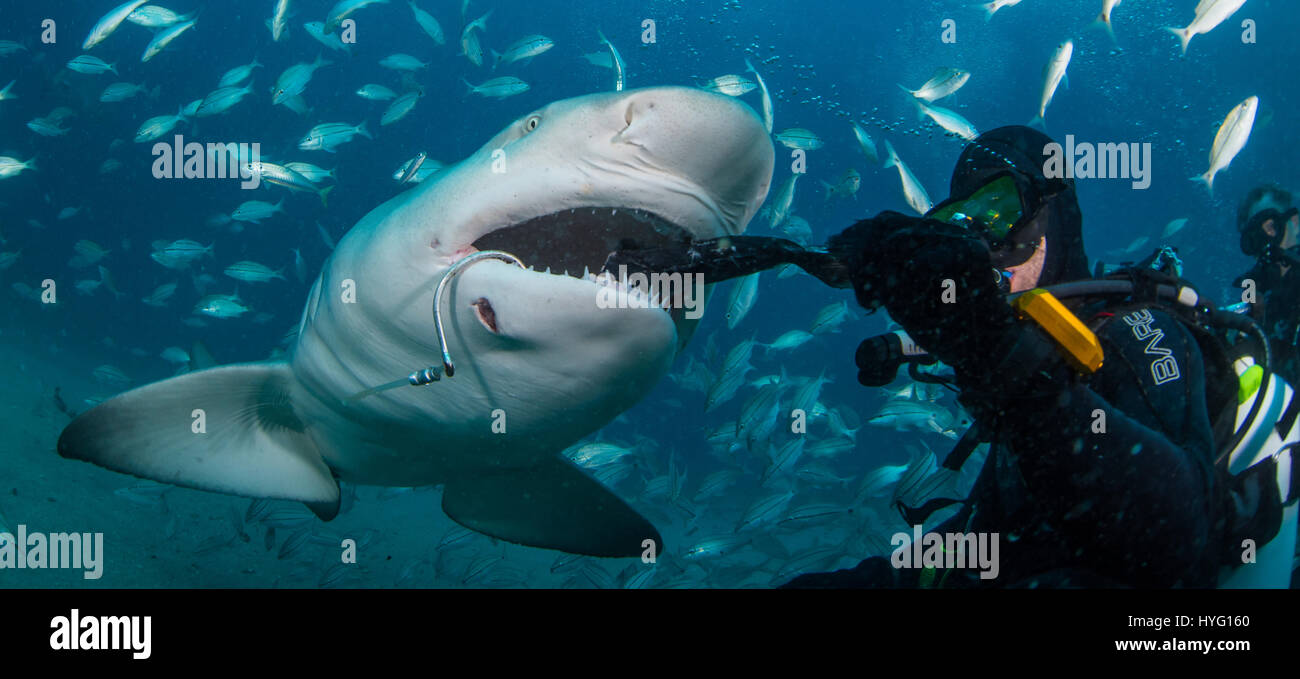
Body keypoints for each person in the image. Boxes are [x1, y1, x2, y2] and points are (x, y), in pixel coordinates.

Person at [606, 126, 1298, 587]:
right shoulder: (1032, 403)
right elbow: (977, 553)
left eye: (1000, 212)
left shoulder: (1142, 334)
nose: (983, 246)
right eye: (960, 226)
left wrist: (992, 349)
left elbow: (1176, 545)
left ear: (1056, 216)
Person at [1233, 184, 1300, 387]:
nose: (1267, 243)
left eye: (1271, 227)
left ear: (1295, 223)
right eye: (1255, 239)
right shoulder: (1252, 290)